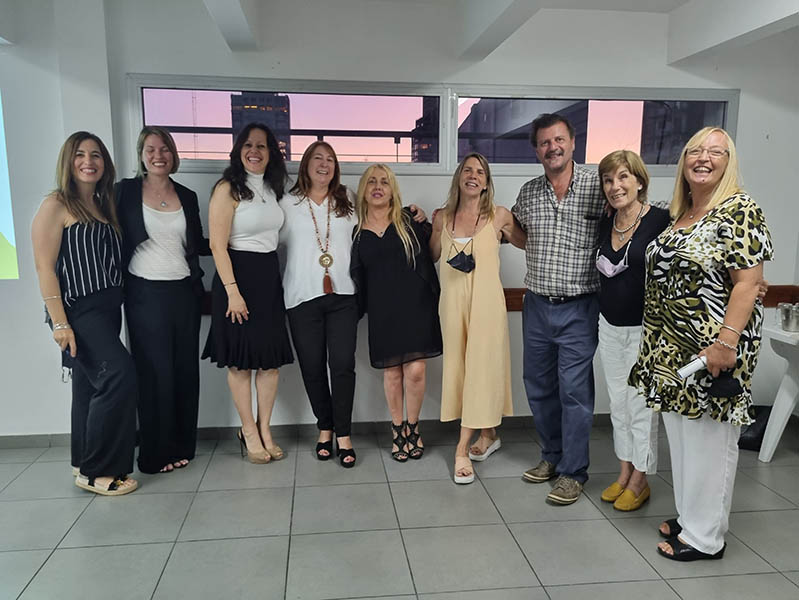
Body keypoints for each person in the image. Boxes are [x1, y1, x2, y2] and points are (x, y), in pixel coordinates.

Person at [629, 127, 772, 561]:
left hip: (713, 352)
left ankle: (706, 538)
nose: (703, 158)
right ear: (683, 162)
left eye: (716, 152)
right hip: (672, 352)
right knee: (685, 440)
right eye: (695, 150)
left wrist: (726, 343)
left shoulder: (739, 209)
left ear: (730, 162)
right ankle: (692, 517)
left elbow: (748, 283)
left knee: (710, 445)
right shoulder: (683, 213)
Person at [31, 131, 138, 496]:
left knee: (88, 386)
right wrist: (60, 322)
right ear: (68, 161)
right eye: (80, 154)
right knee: (118, 375)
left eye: (96, 155)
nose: (88, 161)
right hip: (78, 310)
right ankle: (98, 473)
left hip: (108, 308)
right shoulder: (56, 204)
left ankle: (82, 462)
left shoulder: (102, 205)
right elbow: (45, 268)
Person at [511, 113, 605, 505]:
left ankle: (573, 472)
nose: (553, 147)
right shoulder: (529, 192)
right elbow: (517, 234)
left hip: (579, 307)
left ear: (572, 142)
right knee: (538, 387)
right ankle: (551, 457)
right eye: (545, 142)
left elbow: (632, 217)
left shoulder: (598, 185)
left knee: (575, 392)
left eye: (559, 139)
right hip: (536, 305)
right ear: (537, 150)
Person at [116, 126, 209, 474]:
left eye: (165, 149)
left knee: (185, 372)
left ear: (173, 154)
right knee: (154, 375)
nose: (159, 155)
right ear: (141, 155)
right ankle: (155, 453)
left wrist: (235, 242)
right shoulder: (124, 192)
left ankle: (182, 446)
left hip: (184, 293)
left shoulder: (187, 195)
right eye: (151, 149)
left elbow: (196, 243)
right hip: (144, 295)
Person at [202, 122, 294, 464]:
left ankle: (264, 429)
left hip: (268, 277)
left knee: (270, 364)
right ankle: (248, 430)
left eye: (262, 146)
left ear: (271, 154)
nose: (254, 151)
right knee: (241, 364)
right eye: (248, 145)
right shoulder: (227, 188)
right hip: (236, 278)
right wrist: (232, 292)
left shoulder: (273, 188)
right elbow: (216, 245)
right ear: (239, 150)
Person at [430, 153, 520, 484]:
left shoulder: (499, 216)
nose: (473, 175)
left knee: (481, 371)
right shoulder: (443, 218)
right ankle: (489, 434)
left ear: (486, 182)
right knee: (459, 369)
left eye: (480, 172)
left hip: (487, 305)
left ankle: (461, 449)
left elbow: (528, 243)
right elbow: (432, 255)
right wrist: (422, 220)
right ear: (458, 177)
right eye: (467, 170)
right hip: (452, 304)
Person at [350, 164, 442, 462]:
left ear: (393, 190)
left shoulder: (409, 220)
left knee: (415, 371)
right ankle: (397, 428)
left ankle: (413, 427)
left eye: (385, 182)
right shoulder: (356, 231)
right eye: (372, 182)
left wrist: (430, 221)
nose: (378, 187)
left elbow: (433, 254)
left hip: (416, 306)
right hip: (383, 311)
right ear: (363, 190)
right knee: (391, 373)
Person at [595, 150, 670, 511]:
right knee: (618, 404)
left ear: (640, 181)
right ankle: (624, 471)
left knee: (641, 407)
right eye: (608, 180)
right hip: (609, 326)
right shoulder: (606, 222)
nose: (615, 186)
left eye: (623, 177)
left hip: (645, 330)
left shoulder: (662, 220)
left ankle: (641, 480)